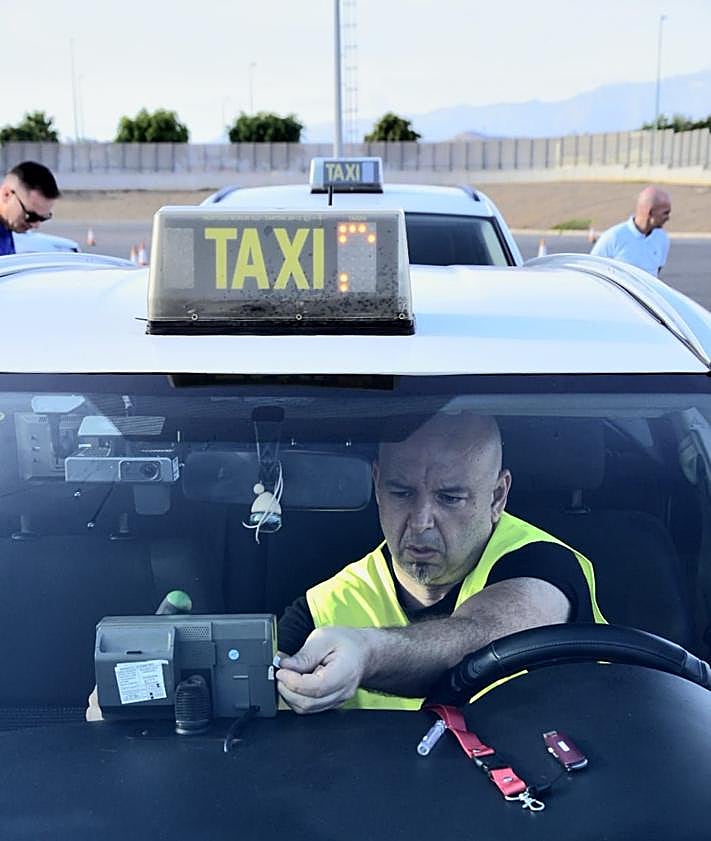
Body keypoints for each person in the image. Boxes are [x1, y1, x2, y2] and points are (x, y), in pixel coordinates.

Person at [276, 413, 604, 714]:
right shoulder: (323, 608)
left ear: (497, 497)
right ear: (377, 484)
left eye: (449, 498)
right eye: (401, 493)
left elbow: (486, 637)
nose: (420, 522)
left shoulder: (543, 563)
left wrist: (367, 653)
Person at [590, 185, 671, 276]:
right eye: (665, 213)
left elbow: (656, 273)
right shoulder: (613, 237)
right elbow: (592, 271)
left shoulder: (662, 239)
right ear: (650, 212)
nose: (668, 218)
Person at [0, 161, 60, 256]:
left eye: (43, 218)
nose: (35, 225)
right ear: (6, 194)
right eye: (31, 216)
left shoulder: (6, 226)